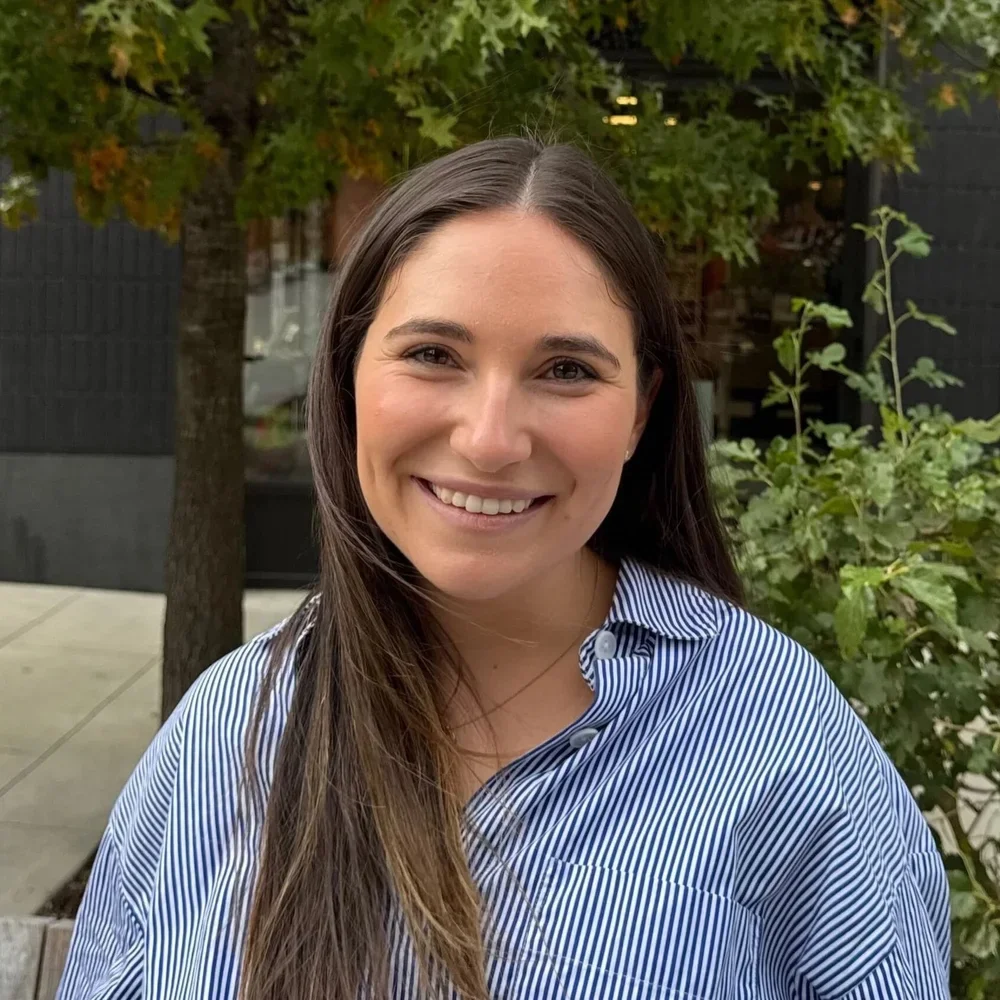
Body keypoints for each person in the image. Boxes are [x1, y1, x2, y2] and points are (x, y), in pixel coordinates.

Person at [57, 136, 950, 1000]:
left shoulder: (784, 757)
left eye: (565, 369)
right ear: (346, 378)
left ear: (643, 411)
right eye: (433, 355)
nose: (488, 441)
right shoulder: (230, 734)